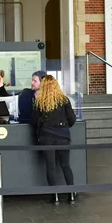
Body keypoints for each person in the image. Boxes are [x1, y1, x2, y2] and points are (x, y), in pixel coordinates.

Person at [31, 75, 77, 205]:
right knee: (65, 165)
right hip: (63, 136)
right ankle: (71, 194)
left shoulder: (40, 101)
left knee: (50, 166)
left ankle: (55, 195)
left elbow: (33, 121)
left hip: (47, 137)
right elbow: (72, 120)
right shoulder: (64, 100)